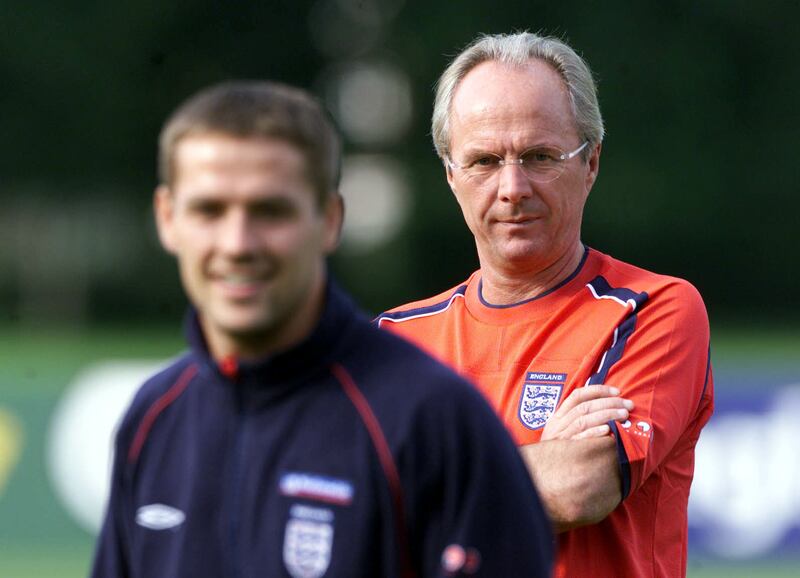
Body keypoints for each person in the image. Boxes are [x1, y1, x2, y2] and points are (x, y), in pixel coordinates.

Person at [90, 81, 553, 578]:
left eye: (270, 211)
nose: (238, 243)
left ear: (330, 220)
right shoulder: (154, 417)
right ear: (167, 219)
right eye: (209, 210)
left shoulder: (433, 419)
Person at [377, 32, 714, 578]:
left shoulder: (651, 309)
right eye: (484, 160)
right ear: (450, 174)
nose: (512, 186)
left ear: (591, 162)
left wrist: (411, 479)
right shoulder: (391, 340)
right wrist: (537, 454)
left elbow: (578, 488)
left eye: (539, 156)